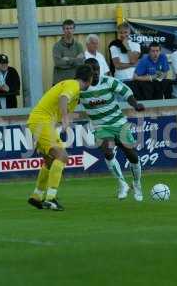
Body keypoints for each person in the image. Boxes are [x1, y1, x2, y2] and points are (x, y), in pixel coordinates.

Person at [27, 65, 93, 211]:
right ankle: (50, 198)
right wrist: (65, 118)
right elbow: (63, 98)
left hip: (39, 121)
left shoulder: (73, 90)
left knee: (50, 161)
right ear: (89, 79)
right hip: (42, 121)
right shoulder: (74, 85)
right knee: (62, 156)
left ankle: (37, 196)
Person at [81, 58, 145, 201]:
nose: (96, 73)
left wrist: (135, 105)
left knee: (132, 156)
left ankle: (136, 183)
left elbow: (126, 93)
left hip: (119, 124)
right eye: (92, 71)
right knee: (108, 151)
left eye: (97, 69)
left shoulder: (109, 81)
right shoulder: (81, 88)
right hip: (101, 127)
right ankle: (122, 183)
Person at [53, 19, 84, 84]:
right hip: (60, 82)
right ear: (63, 30)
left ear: (74, 30)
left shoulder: (78, 46)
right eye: (67, 28)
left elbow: (81, 63)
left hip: (75, 81)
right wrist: (76, 59)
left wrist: (67, 59)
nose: (69, 31)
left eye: (71, 28)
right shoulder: (57, 46)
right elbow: (58, 63)